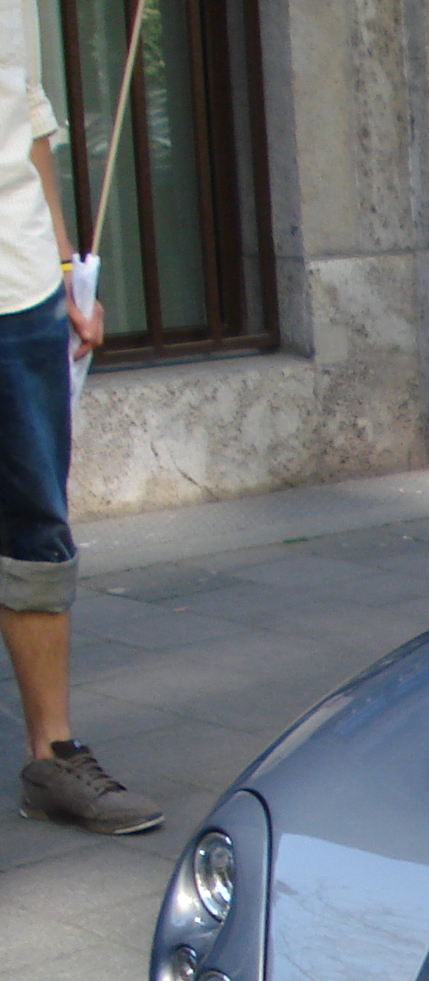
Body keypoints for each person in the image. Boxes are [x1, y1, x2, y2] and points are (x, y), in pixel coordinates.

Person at [2, 0, 156, 832]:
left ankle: (52, 757)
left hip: (16, 276)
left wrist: (65, 267)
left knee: (35, 520)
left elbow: (26, 112)